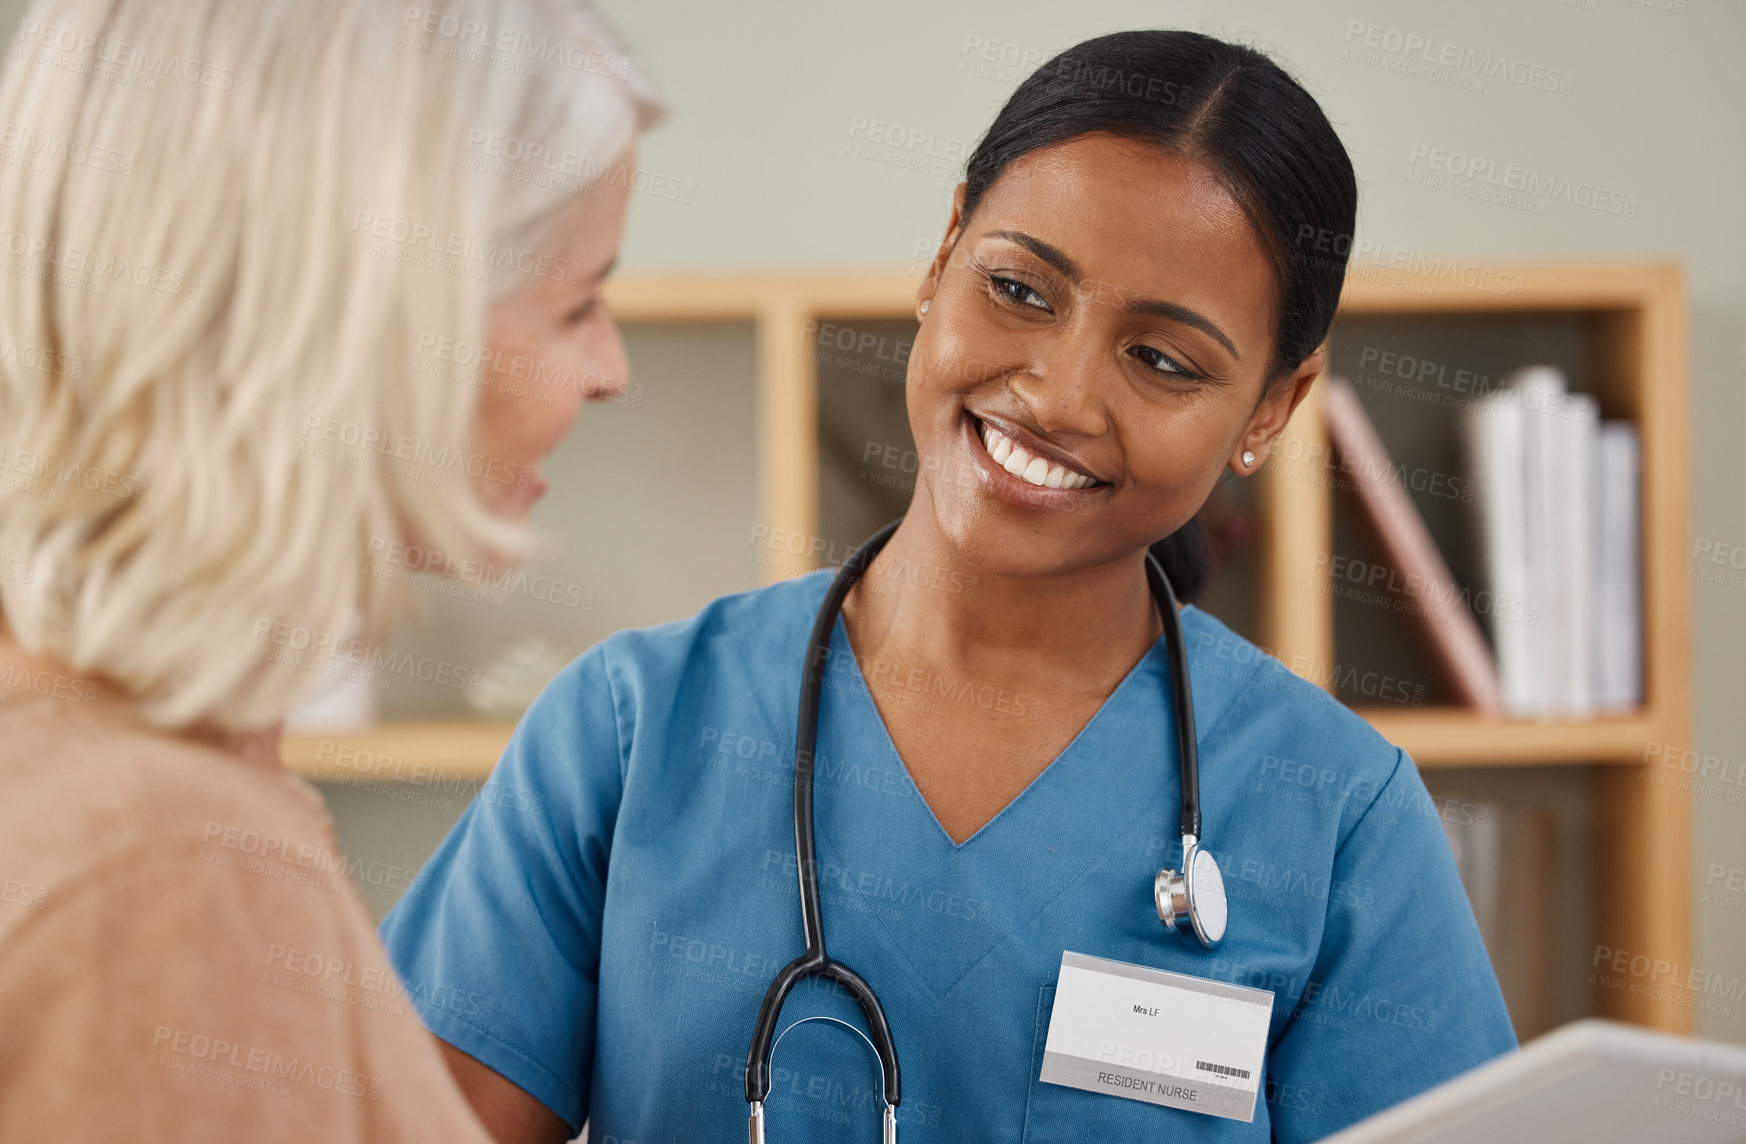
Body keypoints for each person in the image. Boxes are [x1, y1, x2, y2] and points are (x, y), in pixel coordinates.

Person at [380, 30, 1518, 1144]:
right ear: (943, 252)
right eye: (1020, 288)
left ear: (1273, 405)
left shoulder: (1337, 819)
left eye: (1163, 360)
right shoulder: (630, 734)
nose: (1060, 395)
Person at [0, 0, 660, 1138]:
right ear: (370, 327)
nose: (611, 369)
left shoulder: (133, 770)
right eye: (576, 303)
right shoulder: (164, 869)